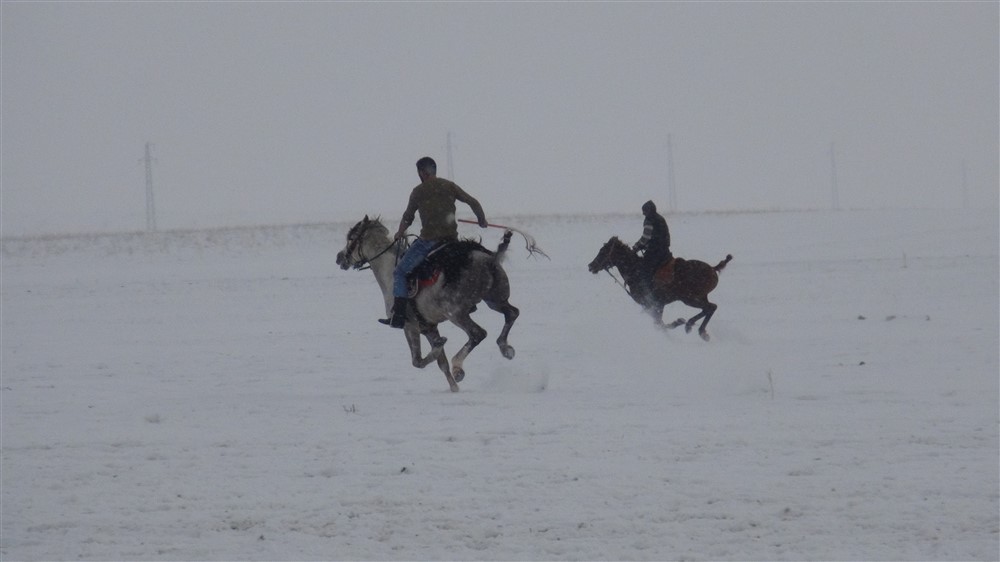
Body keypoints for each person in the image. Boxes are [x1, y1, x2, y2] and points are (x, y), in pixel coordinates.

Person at [380, 156, 488, 328]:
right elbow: (472, 202)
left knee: (400, 272)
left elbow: (408, 217)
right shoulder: (449, 185)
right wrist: (481, 220)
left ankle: (399, 315)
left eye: (419, 173)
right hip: (452, 240)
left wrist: (399, 233)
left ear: (422, 173)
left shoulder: (418, 191)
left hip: (429, 241)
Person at [632, 200, 672, 302]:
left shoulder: (649, 220)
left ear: (648, 211)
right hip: (664, 251)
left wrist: (636, 247)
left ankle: (650, 296)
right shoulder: (659, 218)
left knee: (644, 272)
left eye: (644, 211)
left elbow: (646, 237)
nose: (643, 213)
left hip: (655, 251)